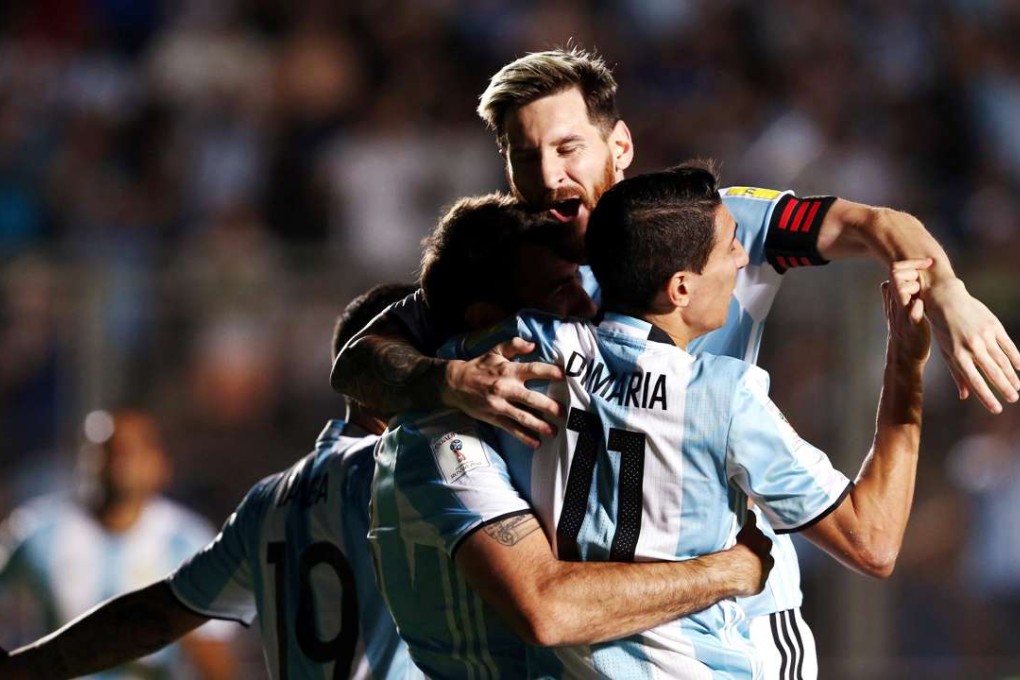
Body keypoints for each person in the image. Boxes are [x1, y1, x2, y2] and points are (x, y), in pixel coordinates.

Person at [331, 46, 1020, 678]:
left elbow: (875, 224)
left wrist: (951, 292)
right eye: (525, 154)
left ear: (619, 144)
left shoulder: (706, 227)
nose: (548, 174)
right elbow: (359, 363)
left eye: (569, 147)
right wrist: (448, 381)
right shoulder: (515, 281)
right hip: (616, 629)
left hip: (715, 626)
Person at [422, 163, 930, 677]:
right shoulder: (724, 397)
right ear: (680, 289)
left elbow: (413, 349)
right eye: (731, 246)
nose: (740, 258)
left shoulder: (528, 348)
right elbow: (873, 543)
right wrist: (905, 367)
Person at [370, 192, 775, 679]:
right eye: (560, 289)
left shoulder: (559, 409)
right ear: (489, 324)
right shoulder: (440, 437)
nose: (586, 304)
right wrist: (729, 571)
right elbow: (549, 608)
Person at [0, 283, 423, 680]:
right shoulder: (418, 476)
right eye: (436, 360)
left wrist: (21, 668)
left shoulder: (269, 500)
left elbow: (162, 616)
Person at [0, 408, 237, 680]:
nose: (120, 459)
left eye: (133, 449)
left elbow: (212, 653)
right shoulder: (37, 531)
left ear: (160, 464)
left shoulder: (187, 541)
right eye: (108, 448)